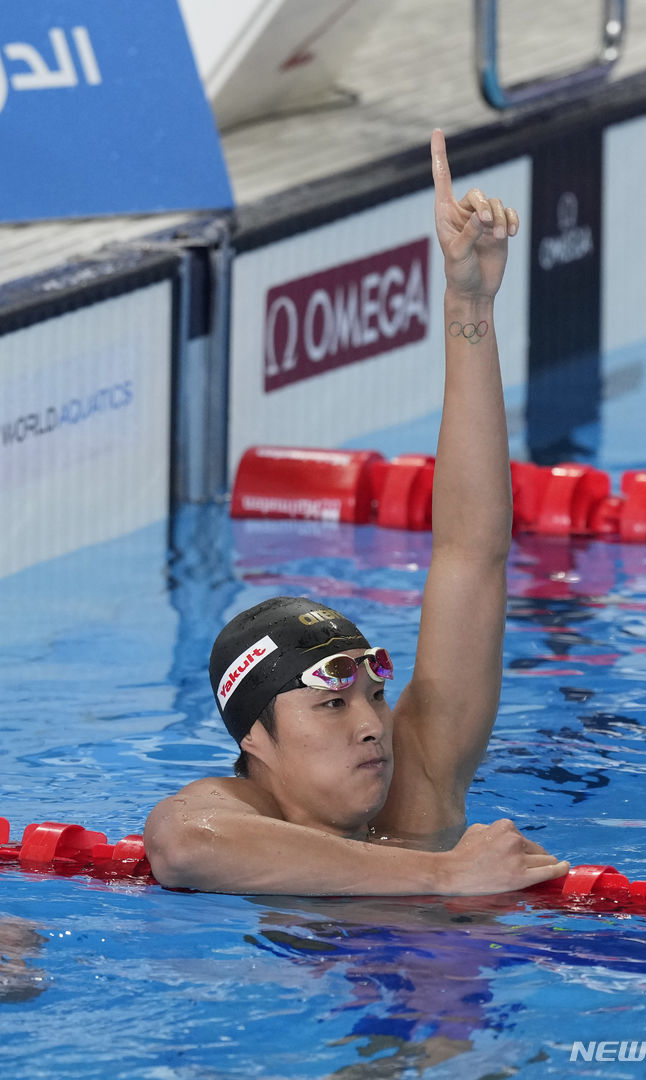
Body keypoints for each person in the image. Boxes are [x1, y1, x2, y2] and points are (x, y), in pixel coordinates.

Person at [144, 130, 570, 896]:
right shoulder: (230, 807)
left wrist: (468, 304)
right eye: (332, 705)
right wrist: (441, 876)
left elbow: (472, 552)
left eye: (371, 694)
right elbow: (183, 845)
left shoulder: (421, 774)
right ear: (255, 739)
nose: (372, 723)